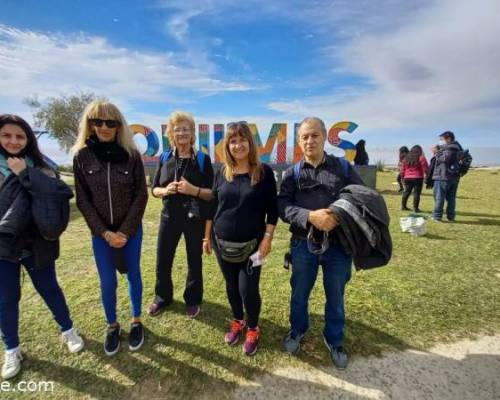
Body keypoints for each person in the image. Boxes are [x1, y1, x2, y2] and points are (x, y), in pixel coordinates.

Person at [0, 114, 84, 380]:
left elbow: (55, 196)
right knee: (5, 299)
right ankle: (11, 348)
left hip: (36, 242)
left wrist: (24, 173)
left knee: (49, 289)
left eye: (19, 136)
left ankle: (68, 330)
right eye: (6, 135)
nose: (13, 141)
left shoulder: (43, 166)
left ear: (28, 139)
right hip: (3, 245)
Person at [277, 117, 364, 369]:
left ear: (325, 137)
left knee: (335, 296)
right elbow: (282, 206)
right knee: (299, 294)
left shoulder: (344, 168)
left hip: (338, 246)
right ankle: (297, 330)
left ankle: (334, 339)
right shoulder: (291, 174)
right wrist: (310, 216)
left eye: (314, 135)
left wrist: (338, 215)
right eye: (304, 137)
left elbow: (361, 197)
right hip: (303, 245)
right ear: (299, 141)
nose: (309, 140)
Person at [72, 101, 148, 356]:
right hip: (101, 234)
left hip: (131, 231)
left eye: (110, 122)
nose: (104, 127)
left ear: (119, 126)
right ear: (90, 125)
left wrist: (125, 232)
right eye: (98, 121)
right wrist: (105, 233)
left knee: (133, 275)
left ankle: (137, 320)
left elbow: (141, 195)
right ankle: (112, 325)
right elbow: (82, 199)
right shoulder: (81, 157)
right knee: (107, 282)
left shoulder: (132, 154)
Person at [203, 121, 278, 356]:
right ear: (227, 145)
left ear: (250, 143)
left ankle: (253, 327)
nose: (237, 145)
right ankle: (238, 320)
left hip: (254, 247)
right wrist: (207, 238)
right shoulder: (221, 173)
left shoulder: (263, 173)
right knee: (231, 286)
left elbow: (273, 210)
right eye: (233, 141)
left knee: (249, 290)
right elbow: (212, 208)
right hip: (221, 244)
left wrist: (267, 239)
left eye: (242, 139)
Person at [148, 111, 214, 318]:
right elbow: (154, 189)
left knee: (194, 261)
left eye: (186, 129)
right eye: (177, 130)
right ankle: (162, 297)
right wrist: (165, 190)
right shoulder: (165, 157)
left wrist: (192, 190)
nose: (182, 133)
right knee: (163, 259)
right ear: (171, 134)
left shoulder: (203, 159)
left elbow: (212, 194)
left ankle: (193, 300)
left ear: (193, 133)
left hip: (194, 218)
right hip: (169, 216)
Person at [431, 131, 463, 222]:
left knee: (439, 197)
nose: (440, 141)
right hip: (454, 177)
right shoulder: (458, 147)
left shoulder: (451, 148)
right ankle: (451, 217)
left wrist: (436, 152)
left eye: (441, 139)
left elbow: (445, 159)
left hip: (444, 176)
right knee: (451, 198)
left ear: (448, 139)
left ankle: (437, 216)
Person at [400, 145, 428, 212]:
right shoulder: (421, 157)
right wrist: (427, 176)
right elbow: (426, 168)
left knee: (406, 192)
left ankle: (403, 206)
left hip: (407, 178)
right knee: (416, 193)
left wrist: (402, 177)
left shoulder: (406, 158)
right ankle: (415, 208)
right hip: (418, 178)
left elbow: (402, 169)